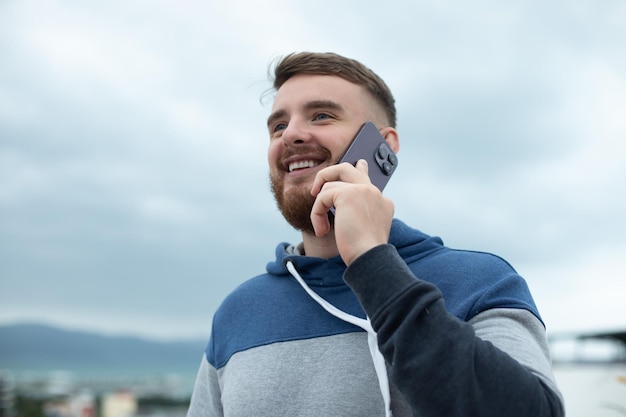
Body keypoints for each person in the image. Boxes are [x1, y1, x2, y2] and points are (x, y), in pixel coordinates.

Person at [187, 52, 564, 417]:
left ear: (385, 146)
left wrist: (372, 260)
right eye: (278, 126)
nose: (292, 135)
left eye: (321, 115)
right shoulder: (238, 312)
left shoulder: (481, 282)